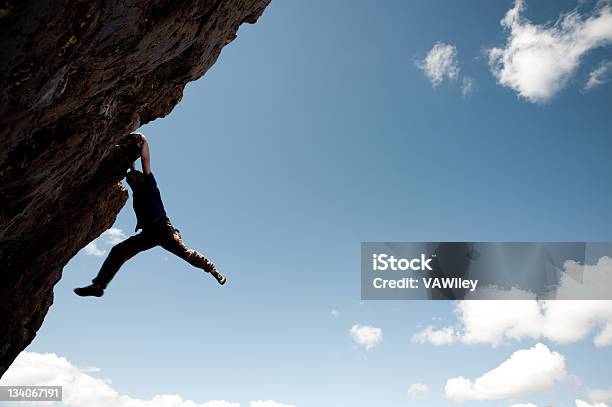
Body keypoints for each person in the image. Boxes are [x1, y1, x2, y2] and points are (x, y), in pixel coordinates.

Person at [74, 133, 225, 297]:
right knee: (119, 251)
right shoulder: (137, 189)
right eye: (129, 177)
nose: (129, 178)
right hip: (148, 233)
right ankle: (98, 286)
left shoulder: (150, 185)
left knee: (186, 254)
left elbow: (145, 159)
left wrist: (143, 140)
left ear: (140, 178)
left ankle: (212, 269)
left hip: (163, 230)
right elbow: (131, 168)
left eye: (132, 176)